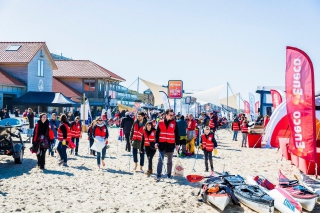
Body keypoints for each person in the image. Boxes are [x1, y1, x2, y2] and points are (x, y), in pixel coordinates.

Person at [155, 109, 179, 181]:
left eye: (173, 115)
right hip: (161, 144)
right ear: (166, 114)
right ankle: (158, 174)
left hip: (170, 144)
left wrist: (177, 144)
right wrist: (156, 142)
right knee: (160, 159)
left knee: (169, 161)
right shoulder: (160, 122)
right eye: (170, 115)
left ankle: (168, 175)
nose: (172, 116)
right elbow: (157, 133)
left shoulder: (174, 123)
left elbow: (177, 134)